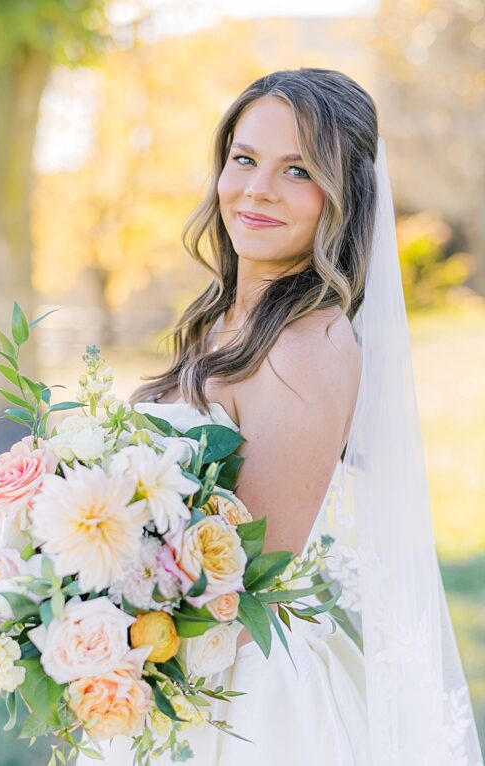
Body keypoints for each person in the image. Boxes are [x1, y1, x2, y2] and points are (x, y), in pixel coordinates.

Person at [85, 68, 481, 764]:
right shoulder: (223, 321)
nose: (258, 188)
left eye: (298, 170)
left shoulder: (307, 349)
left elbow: (247, 589)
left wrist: (91, 630)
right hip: (158, 658)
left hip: (241, 701)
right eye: (245, 158)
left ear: (344, 197)